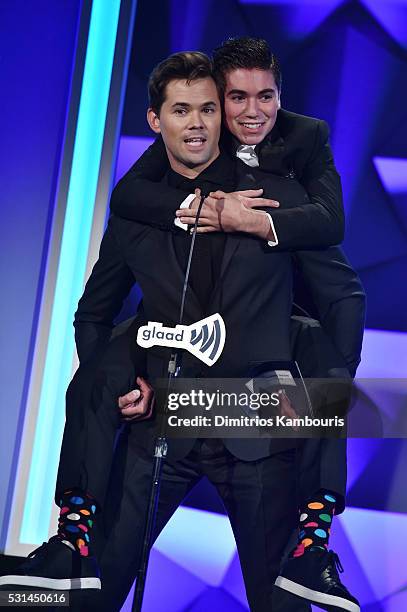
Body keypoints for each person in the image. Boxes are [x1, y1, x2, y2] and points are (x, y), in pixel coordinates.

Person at [108, 37, 365, 611]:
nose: (252, 113)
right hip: (168, 415)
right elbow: (125, 202)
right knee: (97, 581)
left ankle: (314, 538)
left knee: (281, 598)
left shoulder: (298, 158)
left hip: (262, 397)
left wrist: (326, 393)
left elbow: (335, 249)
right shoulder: (159, 181)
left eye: (265, 96)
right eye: (234, 99)